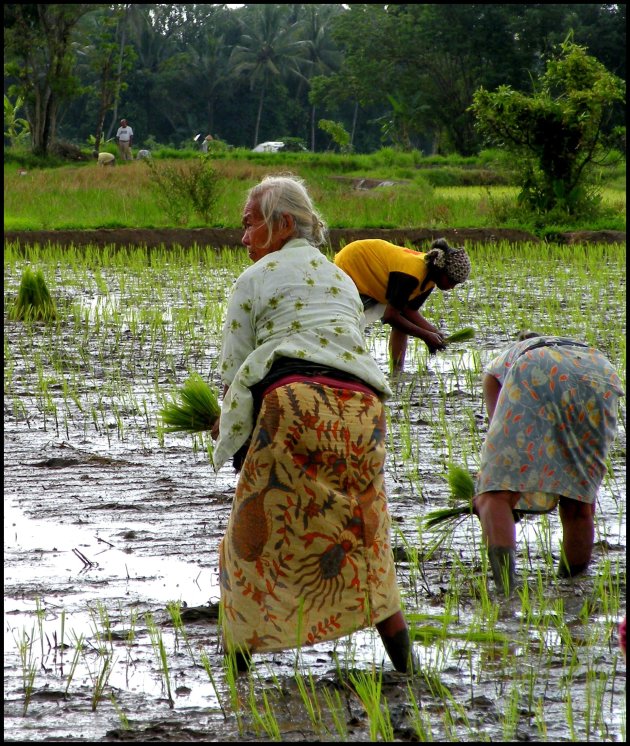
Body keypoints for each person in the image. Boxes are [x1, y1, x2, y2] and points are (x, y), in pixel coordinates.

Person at [211, 174, 417, 674]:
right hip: (363, 411)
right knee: (365, 535)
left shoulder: (252, 280)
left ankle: (236, 669)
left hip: (295, 404)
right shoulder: (342, 278)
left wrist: (227, 428)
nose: (243, 238)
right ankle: (407, 666)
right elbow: (348, 345)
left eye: (249, 225)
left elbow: (236, 370)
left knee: (248, 543)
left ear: (281, 225)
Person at [472, 332, 624, 597]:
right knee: (579, 500)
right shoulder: (577, 349)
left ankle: (505, 593)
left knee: (494, 494)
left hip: (538, 367)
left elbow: (502, 439)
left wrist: (500, 491)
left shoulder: (506, 361)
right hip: (602, 375)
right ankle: (572, 588)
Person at [334, 238, 471, 371]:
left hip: (379, 274)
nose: (452, 287)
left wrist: (434, 332)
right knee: (350, 321)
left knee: (402, 320)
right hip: (354, 264)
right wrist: (426, 335)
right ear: (441, 271)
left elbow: (409, 311)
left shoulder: (429, 279)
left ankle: (397, 371)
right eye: (452, 281)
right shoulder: (411, 275)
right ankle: (342, 365)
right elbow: (390, 316)